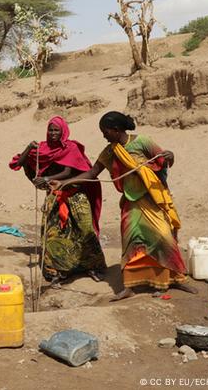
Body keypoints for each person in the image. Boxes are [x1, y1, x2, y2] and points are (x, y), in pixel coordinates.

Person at [50, 111, 196, 301]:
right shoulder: (110, 150)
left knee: (162, 238)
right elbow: (93, 172)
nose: (103, 135)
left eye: (106, 131)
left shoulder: (143, 142)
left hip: (152, 200)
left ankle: (172, 279)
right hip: (130, 203)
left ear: (116, 130)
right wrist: (64, 183)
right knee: (131, 243)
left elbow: (165, 161)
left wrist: (171, 155)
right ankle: (130, 286)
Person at [10, 115, 107, 285]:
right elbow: (19, 163)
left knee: (85, 231)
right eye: (50, 129)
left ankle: (93, 267)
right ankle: (57, 270)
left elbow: (67, 173)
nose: (53, 133)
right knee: (53, 234)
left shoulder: (71, 148)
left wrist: (46, 179)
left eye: (56, 130)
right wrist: (28, 148)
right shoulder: (42, 148)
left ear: (63, 132)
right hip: (54, 196)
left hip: (75, 196)